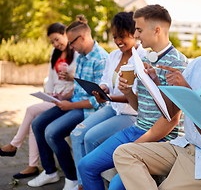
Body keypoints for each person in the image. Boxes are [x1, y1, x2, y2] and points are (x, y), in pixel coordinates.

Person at [113, 3, 201, 189]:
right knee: (123, 153)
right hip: (185, 146)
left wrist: (189, 93)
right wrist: (156, 83)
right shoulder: (198, 64)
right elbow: (170, 112)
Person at [77, 4, 188, 190]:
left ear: (157, 30)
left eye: (138, 30)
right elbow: (140, 108)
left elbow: (172, 120)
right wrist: (128, 92)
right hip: (137, 129)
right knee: (85, 166)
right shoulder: (143, 58)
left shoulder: (177, 62)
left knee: (115, 185)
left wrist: (134, 146)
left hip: (161, 139)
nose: (135, 35)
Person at [28, 15, 109, 190]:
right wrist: (63, 97)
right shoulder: (81, 55)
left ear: (83, 38)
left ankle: (72, 178)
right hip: (73, 102)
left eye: (72, 42)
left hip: (86, 109)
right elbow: (80, 87)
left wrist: (70, 105)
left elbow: (97, 100)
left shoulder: (101, 59)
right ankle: (50, 172)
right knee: (37, 123)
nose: (70, 46)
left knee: (51, 133)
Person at [70, 11, 147, 190]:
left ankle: (91, 179)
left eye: (122, 37)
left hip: (130, 114)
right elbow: (105, 79)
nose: (118, 41)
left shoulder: (142, 59)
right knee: (79, 132)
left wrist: (108, 96)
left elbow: (134, 96)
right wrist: (103, 89)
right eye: (115, 37)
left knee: (90, 137)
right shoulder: (113, 56)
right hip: (112, 107)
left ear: (134, 33)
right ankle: (85, 182)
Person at [0, 22, 78, 179]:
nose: (56, 44)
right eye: (53, 42)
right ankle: (33, 166)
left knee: (31, 111)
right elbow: (50, 77)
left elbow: (79, 82)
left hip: (67, 99)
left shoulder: (76, 53)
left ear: (65, 34)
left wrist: (69, 79)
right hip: (54, 96)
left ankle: (15, 145)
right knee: (34, 121)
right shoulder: (54, 52)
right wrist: (48, 92)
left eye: (57, 39)